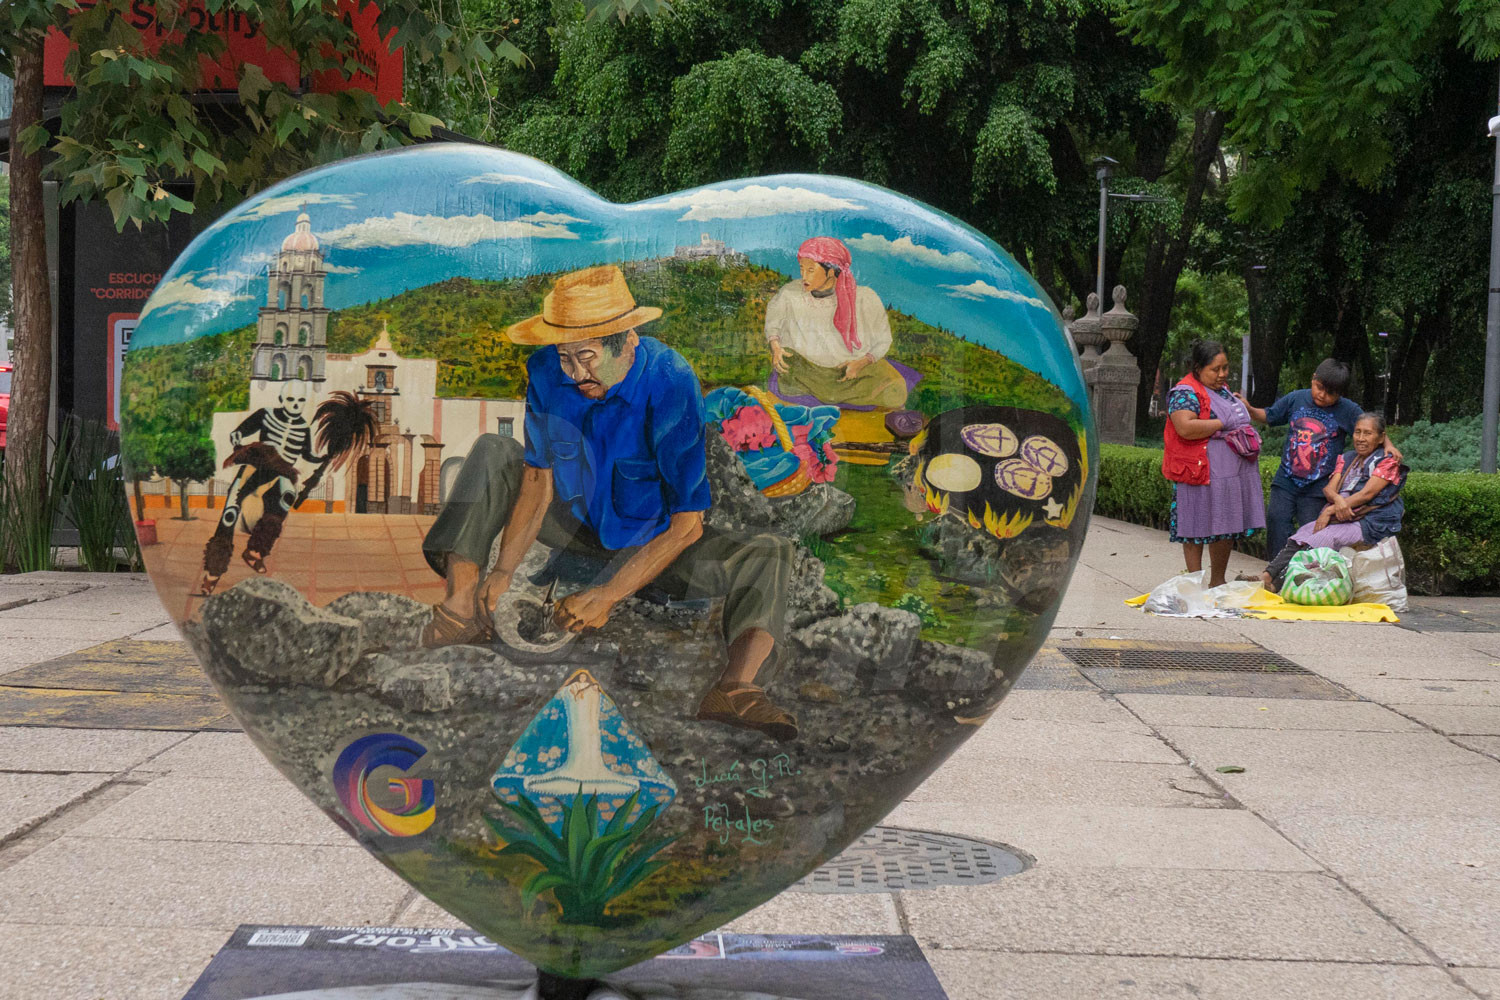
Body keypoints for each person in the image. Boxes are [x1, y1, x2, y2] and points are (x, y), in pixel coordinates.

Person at [420, 265, 799, 743]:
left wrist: (607, 595)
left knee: (770, 552)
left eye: (587, 357)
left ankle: (736, 688)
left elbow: (687, 526)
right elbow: (537, 480)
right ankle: (462, 610)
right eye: (565, 357)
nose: (575, 374)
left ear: (629, 342)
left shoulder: (670, 380)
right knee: (495, 452)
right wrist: (502, 572)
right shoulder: (544, 371)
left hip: (653, 550)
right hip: (572, 530)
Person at [1238, 358, 1400, 560]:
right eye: (1319, 387)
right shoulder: (1296, 398)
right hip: (1286, 480)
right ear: (1313, 378)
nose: (1322, 395)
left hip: (1318, 487)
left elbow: (1372, 428)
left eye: (1330, 393)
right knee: (1276, 521)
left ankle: (1308, 576)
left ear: (1340, 394)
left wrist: (1389, 445)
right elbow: (1269, 416)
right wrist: (1250, 409)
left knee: (1314, 532)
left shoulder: (1348, 410)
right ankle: (1275, 572)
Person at [1259, 412, 1406, 592]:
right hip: (1342, 516)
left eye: (1367, 433)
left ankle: (1278, 584)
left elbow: (1367, 494)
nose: (1361, 438)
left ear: (1381, 437)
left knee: (1323, 538)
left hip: (1367, 522)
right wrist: (1338, 502)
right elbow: (1329, 489)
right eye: (1357, 432)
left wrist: (1330, 511)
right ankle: (1267, 575)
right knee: (1304, 533)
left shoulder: (1387, 462)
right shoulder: (1348, 458)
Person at [1162, 341, 1266, 587]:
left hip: (1230, 474)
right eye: (1215, 369)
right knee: (1195, 525)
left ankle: (1218, 582)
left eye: (1225, 368)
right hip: (1199, 471)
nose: (1222, 374)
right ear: (1198, 368)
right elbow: (1185, 427)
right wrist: (1223, 424)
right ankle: (1194, 584)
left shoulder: (1224, 390)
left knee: (1225, 526)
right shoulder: (1184, 392)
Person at [764, 236, 909, 409]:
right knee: (788, 365)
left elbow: (883, 340)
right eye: (801, 268)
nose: (803, 276)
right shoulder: (790, 293)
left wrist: (860, 363)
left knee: (896, 388)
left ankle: (834, 395)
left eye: (811, 270)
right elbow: (773, 324)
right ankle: (826, 395)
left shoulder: (865, 298)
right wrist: (776, 348)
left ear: (831, 272)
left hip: (851, 372)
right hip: (807, 371)